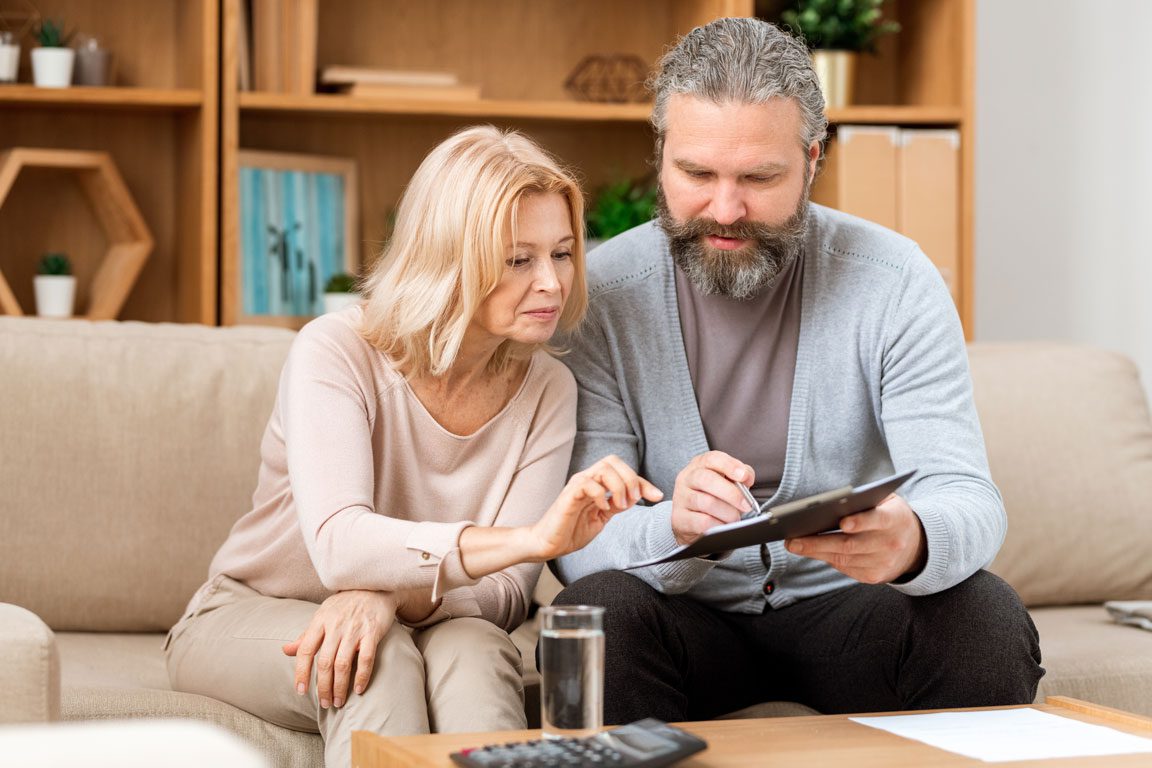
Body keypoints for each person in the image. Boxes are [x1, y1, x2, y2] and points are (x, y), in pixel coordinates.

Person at [551, 17, 1043, 724]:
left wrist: (915, 540)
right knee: (595, 616)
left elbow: (965, 492)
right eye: (696, 173)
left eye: (759, 177)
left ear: (813, 159)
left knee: (984, 617)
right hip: (682, 616)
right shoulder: (600, 296)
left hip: (849, 612)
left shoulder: (895, 279)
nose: (725, 209)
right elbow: (581, 540)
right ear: (661, 155)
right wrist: (675, 529)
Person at [166, 125, 661, 767]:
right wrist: (530, 540)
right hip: (256, 610)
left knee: (478, 652)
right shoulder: (336, 351)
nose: (551, 283)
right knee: (374, 659)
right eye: (519, 260)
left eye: (562, 253)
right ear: (450, 257)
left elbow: (506, 596)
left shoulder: (549, 389)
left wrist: (383, 594)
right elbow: (341, 544)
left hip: (432, 620)